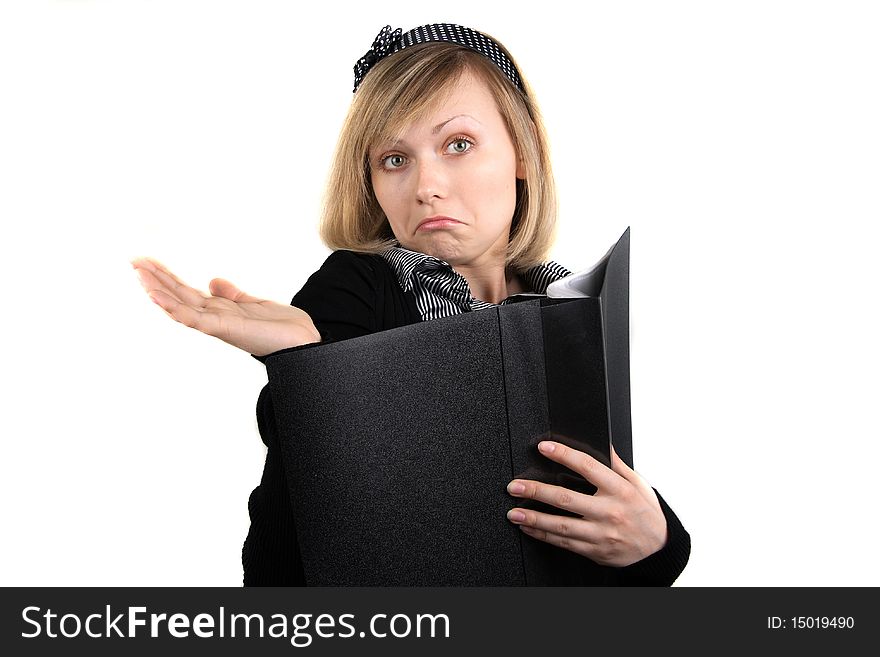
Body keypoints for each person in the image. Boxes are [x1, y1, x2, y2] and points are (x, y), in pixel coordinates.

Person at [133, 23, 690, 586]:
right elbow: (288, 546)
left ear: (521, 153)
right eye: (394, 159)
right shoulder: (356, 288)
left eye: (458, 144)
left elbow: (604, 496)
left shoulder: (572, 309)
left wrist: (658, 543)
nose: (426, 185)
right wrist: (311, 373)